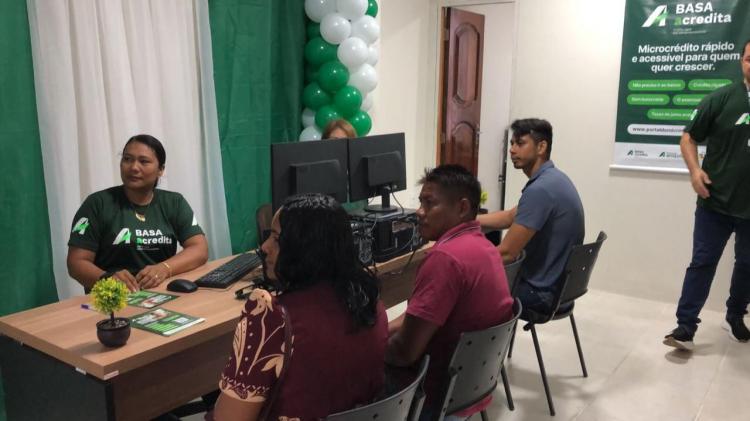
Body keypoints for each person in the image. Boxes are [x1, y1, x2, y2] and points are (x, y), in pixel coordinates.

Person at [210, 193, 387, 421]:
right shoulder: (370, 302)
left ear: (305, 249)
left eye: (276, 239)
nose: (264, 247)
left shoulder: (270, 319)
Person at [386, 165, 514, 421]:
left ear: (462, 207)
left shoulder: (445, 259)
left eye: (429, 203)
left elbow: (404, 353)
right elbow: (420, 316)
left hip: (432, 396)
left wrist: (364, 349)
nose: (419, 212)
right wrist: (381, 330)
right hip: (470, 389)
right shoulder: (486, 248)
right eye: (420, 202)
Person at [664, 40, 750, 350]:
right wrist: (694, 171)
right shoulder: (721, 98)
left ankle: (735, 316)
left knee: (747, 265)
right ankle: (685, 327)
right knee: (702, 262)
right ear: (741, 62)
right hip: (715, 202)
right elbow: (688, 137)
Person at [67, 134, 208, 292]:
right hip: (112, 296)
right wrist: (107, 279)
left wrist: (164, 268)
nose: (134, 167)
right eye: (127, 159)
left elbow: (199, 249)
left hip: (162, 292)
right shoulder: (97, 203)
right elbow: (76, 263)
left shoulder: (174, 202)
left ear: (160, 170)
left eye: (144, 161)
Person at [477, 118, 585, 317]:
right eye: (511, 143)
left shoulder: (541, 190)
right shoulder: (554, 179)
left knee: (463, 291)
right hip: (560, 290)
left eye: (520, 143)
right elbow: (510, 217)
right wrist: (468, 221)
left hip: (540, 293)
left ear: (541, 147)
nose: (512, 150)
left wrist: (464, 263)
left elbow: (507, 253)